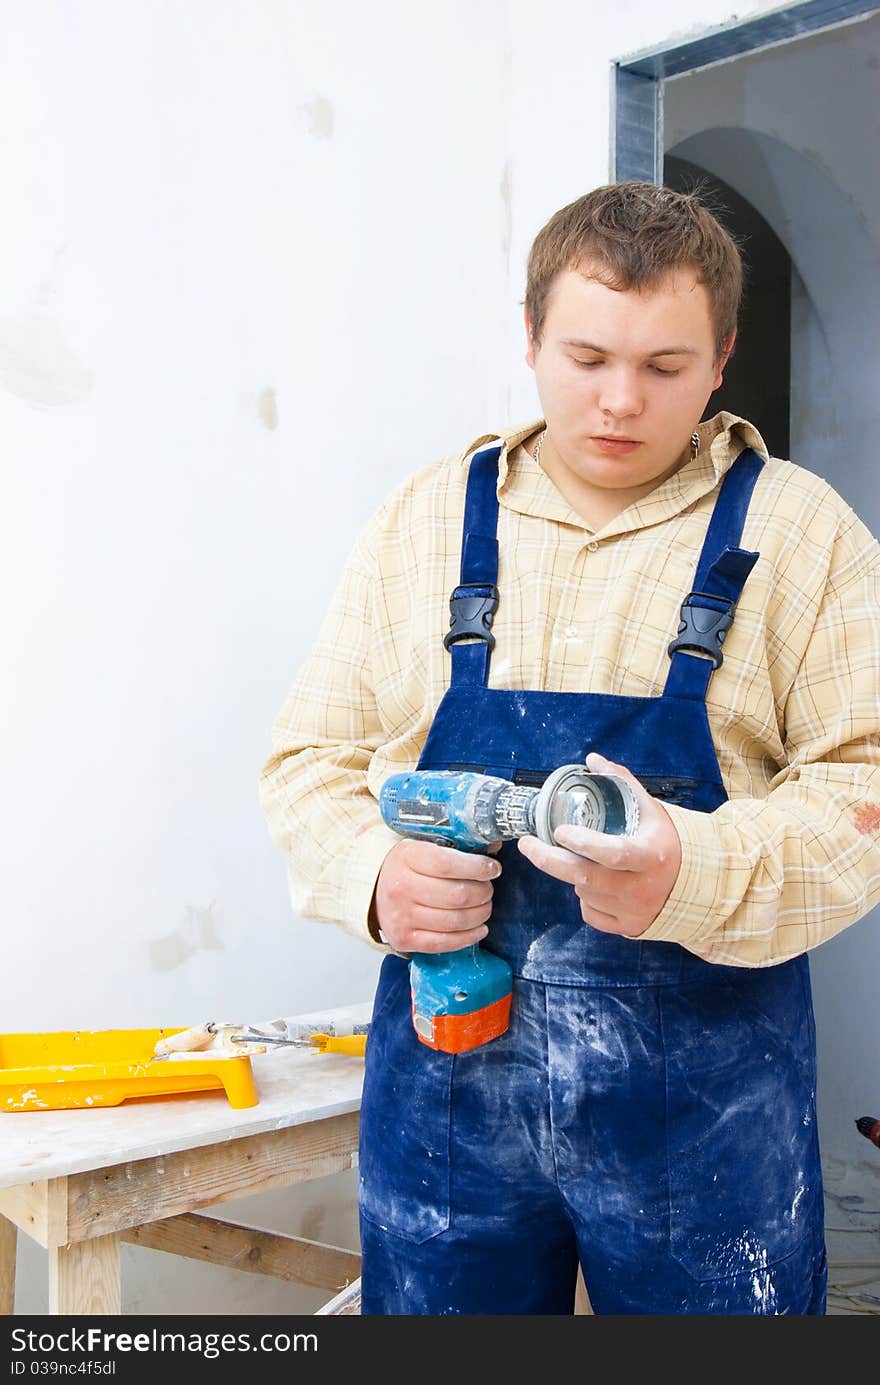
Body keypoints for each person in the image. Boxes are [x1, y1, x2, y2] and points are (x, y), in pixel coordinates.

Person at [259, 181, 880, 1315]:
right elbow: (310, 755)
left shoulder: (802, 531)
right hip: (450, 1088)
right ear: (531, 335)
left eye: (664, 367)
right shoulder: (426, 518)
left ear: (722, 358)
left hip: (708, 1109)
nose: (618, 402)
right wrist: (374, 872)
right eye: (586, 356)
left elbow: (864, 785)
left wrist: (692, 870)